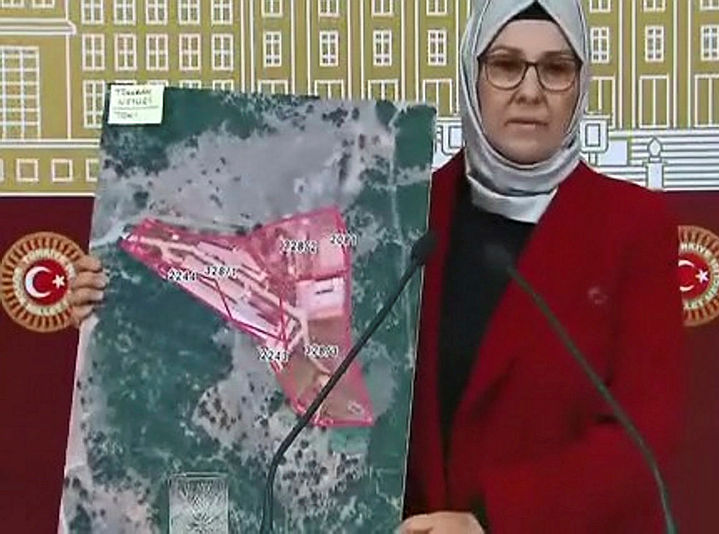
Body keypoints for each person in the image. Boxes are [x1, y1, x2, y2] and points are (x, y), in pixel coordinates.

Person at [70, 1, 687, 532]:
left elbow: (644, 437)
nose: (530, 90)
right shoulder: (404, 209)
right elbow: (281, 321)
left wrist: (491, 520)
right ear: (472, 77)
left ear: (581, 83)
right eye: (505, 65)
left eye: (555, 68)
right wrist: (127, 299)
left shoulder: (632, 226)